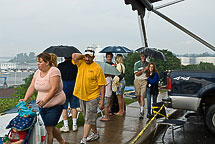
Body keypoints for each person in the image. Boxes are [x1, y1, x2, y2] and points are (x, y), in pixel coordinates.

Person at [19, 52, 67, 144]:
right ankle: (62, 141)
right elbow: (32, 87)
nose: (38, 64)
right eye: (37, 62)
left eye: (40, 62)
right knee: (50, 127)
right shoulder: (37, 72)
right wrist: (25, 99)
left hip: (55, 105)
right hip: (41, 106)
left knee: (48, 130)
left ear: (47, 62)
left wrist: (45, 101)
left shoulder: (54, 71)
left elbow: (54, 89)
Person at [72, 47, 106, 144]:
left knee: (88, 119)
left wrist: (102, 100)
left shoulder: (97, 68)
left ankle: (84, 139)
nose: (87, 59)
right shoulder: (81, 62)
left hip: (92, 97)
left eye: (89, 57)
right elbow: (74, 56)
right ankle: (95, 133)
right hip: (81, 95)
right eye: (86, 56)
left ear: (93, 57)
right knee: (89, 117)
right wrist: (84, 55)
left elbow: (102, 85)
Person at [58, 57, 80, 132]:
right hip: (74, 86)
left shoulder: (60, 66)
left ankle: (66, 125)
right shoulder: (76, 65)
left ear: (64, 57)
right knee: (74, 107)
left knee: (64, 108)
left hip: (64, 87)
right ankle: (74, 125)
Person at [134, 52, 148, 118]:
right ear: (140, 57)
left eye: (144, 56)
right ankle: (141, 106)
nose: (143, 58)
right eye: (142, 56)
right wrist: (144, 70)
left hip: (144, 81)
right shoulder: (137, 64)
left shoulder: (148, 64)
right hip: (137, 81)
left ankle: (142, 111)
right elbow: (137, 74)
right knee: (138, 96)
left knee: (142, 96)